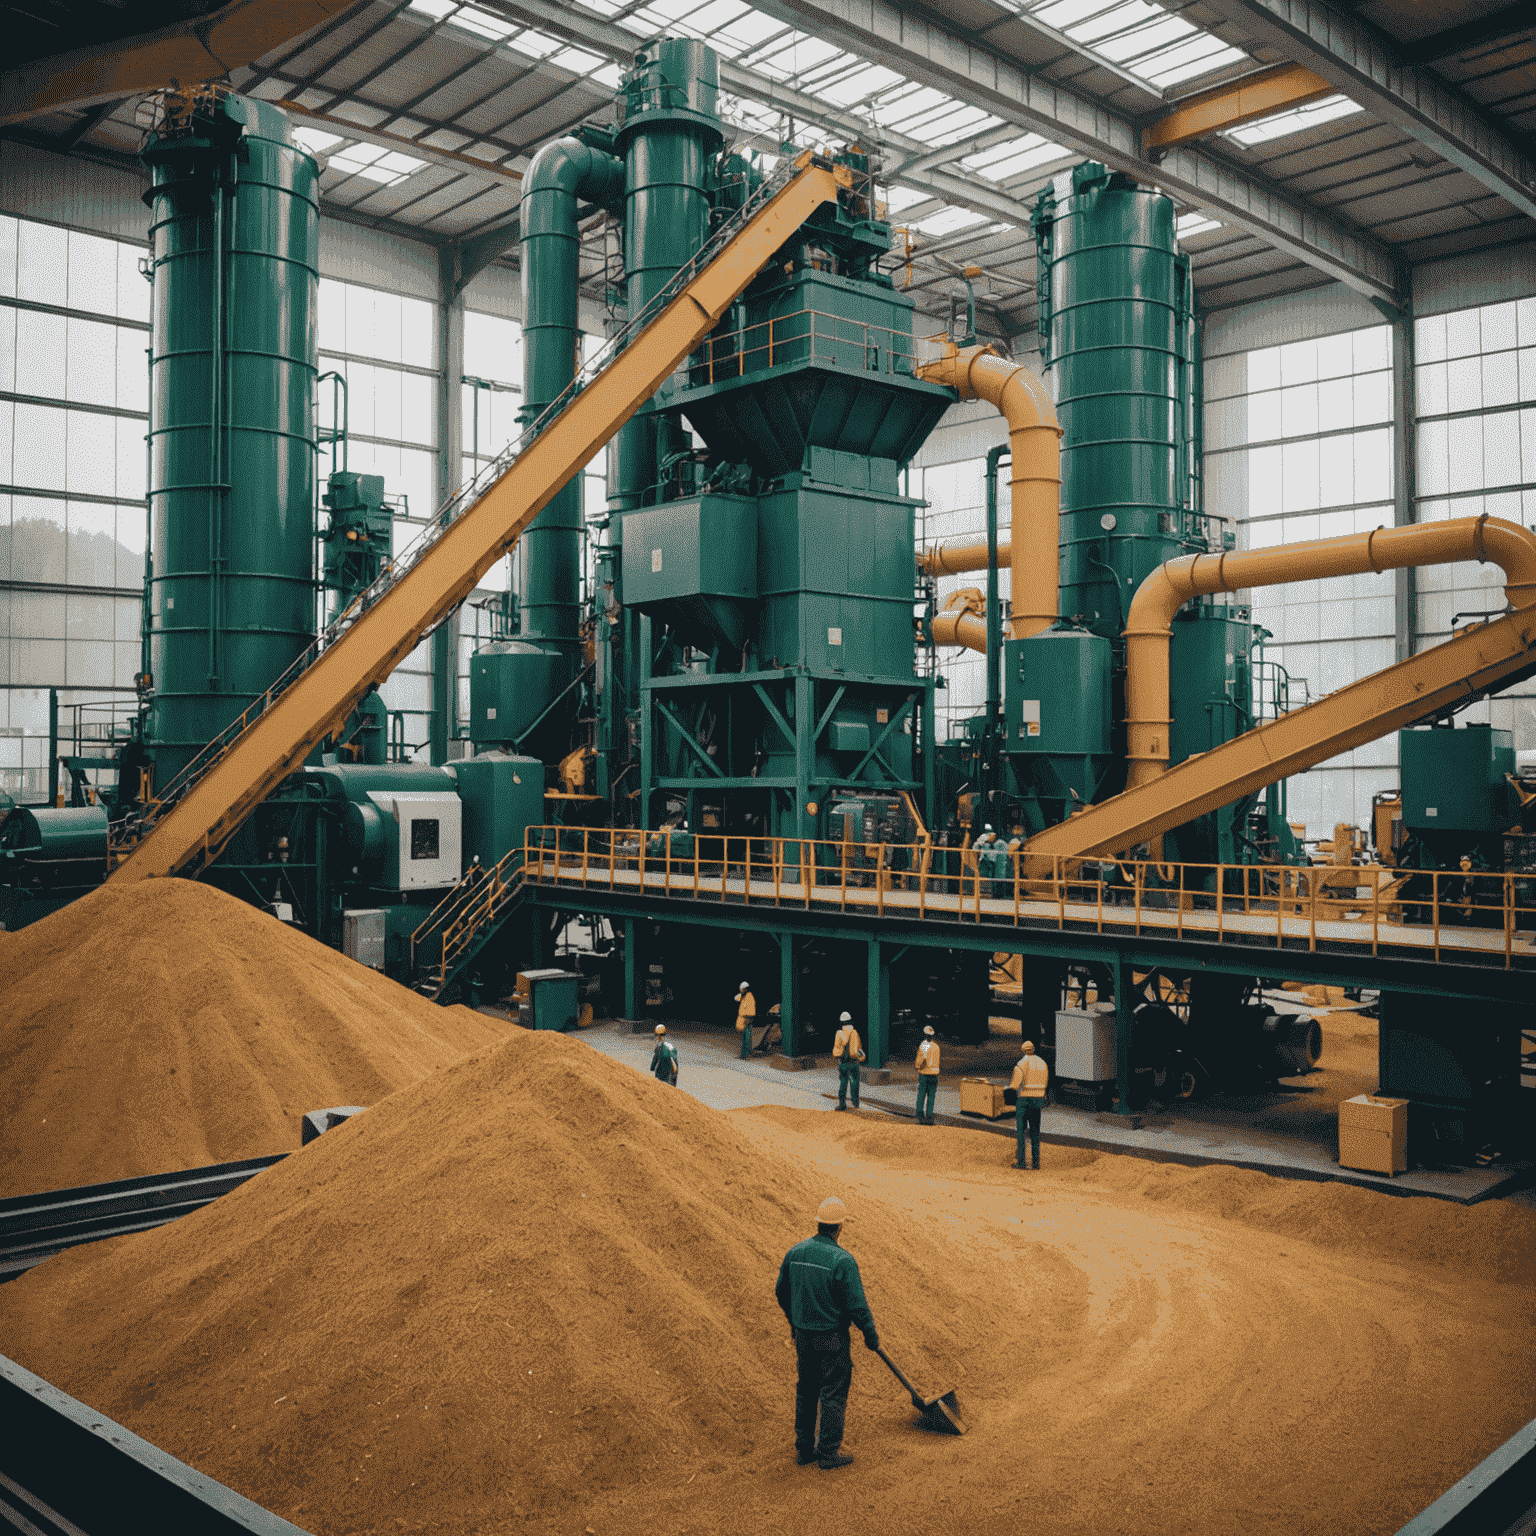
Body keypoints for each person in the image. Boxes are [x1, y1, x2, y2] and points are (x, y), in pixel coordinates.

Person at [774, 1195, 879, 1471]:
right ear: (840, 1227)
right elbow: (857, 1306)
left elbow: (781, 1292)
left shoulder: (795, 1252)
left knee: (806, 1389)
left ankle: (805, 1449)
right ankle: (829, 1452)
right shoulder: (842, 1260)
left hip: (804, 1339)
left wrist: (794, 1321)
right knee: (833, 1391)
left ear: (819, 1223)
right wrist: (871, 1335)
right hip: (832, 1339)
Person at [1011, 1038, 1049, 1169]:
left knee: (1021, 1132)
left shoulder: (1021, 1064)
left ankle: (1021, 1162)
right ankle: (1036, 1163)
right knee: (1035, 1132)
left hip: (1024, 1099)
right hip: (1038, 1100)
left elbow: (1015, 1085)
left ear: (1023, 1050)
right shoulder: (1043, 1063)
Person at [832, 1012, 864, 1111]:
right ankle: (855, 1101)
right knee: (855, 1082)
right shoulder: (855, 1033)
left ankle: (842, 1104)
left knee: (843, 1082)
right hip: (854, 1062)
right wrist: (861, 1058)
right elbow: (858, 1048)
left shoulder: (839, 1033)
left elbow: (837, 1050)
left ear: (841, 1022)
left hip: (843, 1062)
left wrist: (838, 1062)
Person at [914, 1024, 940, 1125]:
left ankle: (920, 1115)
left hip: (925, 1074)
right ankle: (929, 1116)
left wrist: (917, 1068)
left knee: (921, 1095)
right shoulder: (936, 1047)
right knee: (931, 1096)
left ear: (925, 1035)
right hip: (934, 1075)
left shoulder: (924, 1045)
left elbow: (920, 1061)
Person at [734, 979, 756, 1060]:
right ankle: (743, 1055)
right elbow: (735, 998)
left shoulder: (749, 997)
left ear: (745, 989)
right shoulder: (744, 996)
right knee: (744, 1038)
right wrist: (741, 993)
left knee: (746, 1038)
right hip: (743, 1020)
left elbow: (750, 1012)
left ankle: (745, 1055)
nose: (741, 990)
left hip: (746, 1020)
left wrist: (747, 1021)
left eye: (742, 989)